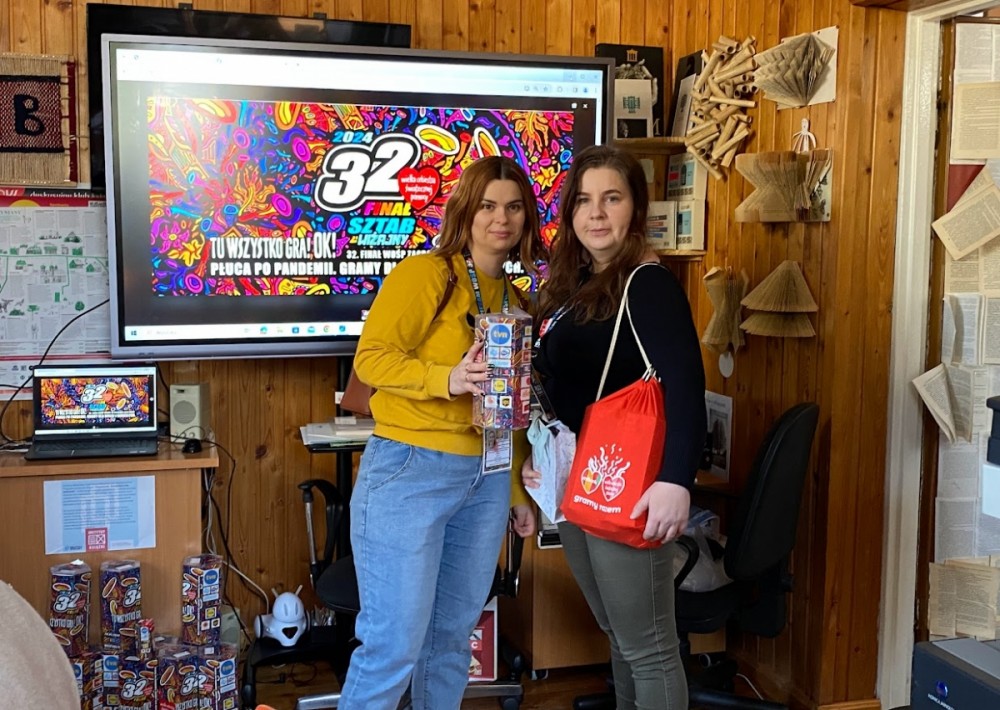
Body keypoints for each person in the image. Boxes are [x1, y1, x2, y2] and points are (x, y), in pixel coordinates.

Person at [341, 155, 546, 710]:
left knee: (452, 642)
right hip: (411, 470)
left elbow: (508, 408)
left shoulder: (516, 299)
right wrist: (446, 378)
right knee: (394, 647)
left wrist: (516, 490)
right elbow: (371, 358)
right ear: (465, 211)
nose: (501, 219)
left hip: (485, 479)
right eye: (487, 206)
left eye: (513, 207)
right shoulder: (427, 275)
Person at [524, 144, 707, 710]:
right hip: (582, 474)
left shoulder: (646, 284)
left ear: (636, 208)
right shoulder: (578, 283)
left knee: (649, 648)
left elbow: (686, 385)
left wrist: (676, 480)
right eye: (583, 201)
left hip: (631, 480)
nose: (596, 214)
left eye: (612, 199)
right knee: (621, 637)